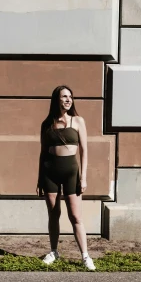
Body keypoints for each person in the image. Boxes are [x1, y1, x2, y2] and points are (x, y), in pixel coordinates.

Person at [36, 85, 96, 271]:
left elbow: (85, 151)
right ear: (57, 100)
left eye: (70, 96)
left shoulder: (78, 121)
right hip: (49, 173)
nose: (68, 99)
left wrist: (83, 177)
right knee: (53, 214)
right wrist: (39, 179)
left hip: (71, 173)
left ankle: (85, 256)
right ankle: (54, 251)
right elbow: (43, 153)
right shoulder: (46, 124)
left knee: (75, 216)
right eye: (64, 96)